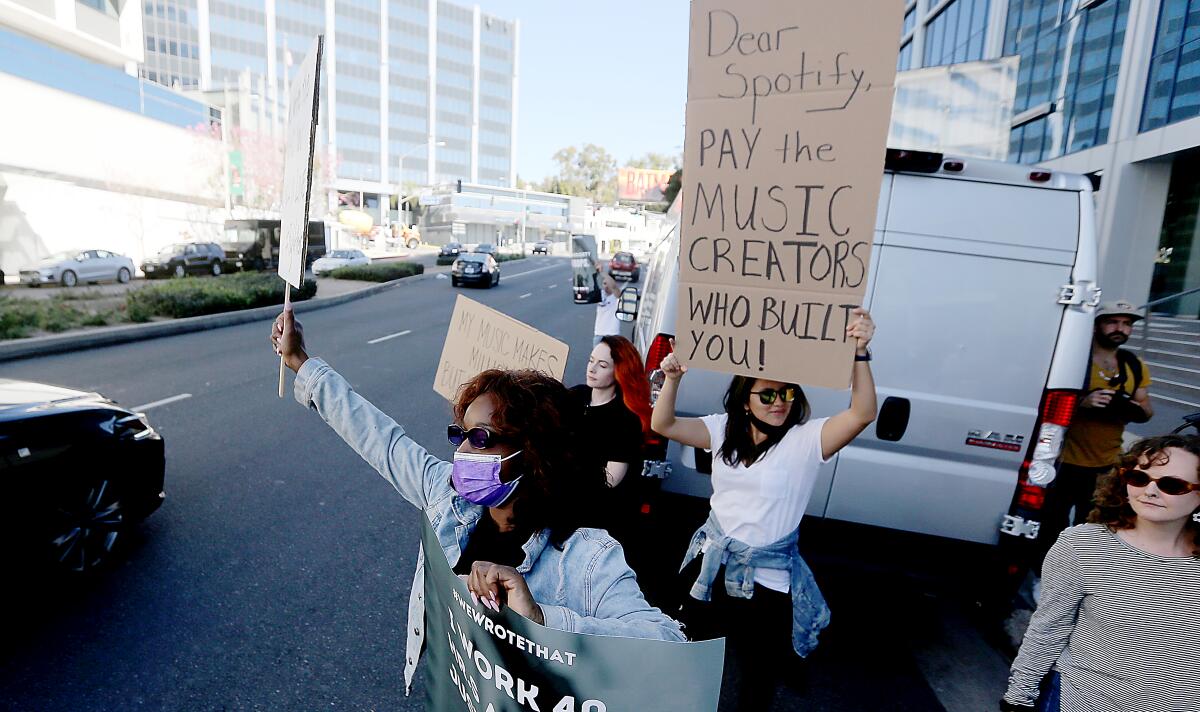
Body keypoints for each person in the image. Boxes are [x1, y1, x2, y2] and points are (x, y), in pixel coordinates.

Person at [270, 306, 685, 694]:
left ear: (535, 451)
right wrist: (301, 362)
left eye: (482, 438)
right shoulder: (447, 496)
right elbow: (379, 438)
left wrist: (541, 621)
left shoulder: (588, 555)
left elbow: (668, 646)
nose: (463, 451)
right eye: (461, 435)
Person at [651, 308, 878, 712]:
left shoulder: (808, 440)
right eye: (768, 394)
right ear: (744, 400)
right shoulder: (720, 430)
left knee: (757, 680)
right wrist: (673, 379)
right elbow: (663, 424)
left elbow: (862, 413)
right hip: (711, 567)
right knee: (690, 666)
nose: (779, 403)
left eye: (787, 393)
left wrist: (860, 353)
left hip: (768, 582)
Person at [1001, 435, 1200, 712]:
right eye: (1139, 478)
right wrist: (1018, 698)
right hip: (1081, 701)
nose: (1150, 491)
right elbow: (1048, 629)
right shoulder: (1082, 545)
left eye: (1172, 485)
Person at [1038, 301, 1153, 566]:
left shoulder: (1133, 365)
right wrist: (1082, 403)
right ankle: (1044, 575)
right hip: (1062, 461)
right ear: (1096, 324)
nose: (1120, 329)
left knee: (1092, 530)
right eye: (1113, 322)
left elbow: (1147, 411)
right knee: (1051, 526)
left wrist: (1127, 405)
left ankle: (1079, 579)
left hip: (1106, 464)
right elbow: (1042, 402)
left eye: (1127, 324)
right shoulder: (1073, 359)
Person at [569, 335, 652, 547]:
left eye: (602, 365)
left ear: (618, 372)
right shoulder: (575, 396)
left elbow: (611, 480)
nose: (592, 368)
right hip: (560, 502)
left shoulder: (625, 419)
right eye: (591, 360)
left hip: (596, 519)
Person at [593, 272, 620, 347]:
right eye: (604, 283)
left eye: (608, 283)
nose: (606, 286)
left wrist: (602, 272)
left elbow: (614, 287)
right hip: (599, 334)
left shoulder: (616, 296)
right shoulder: (600, 294)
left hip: (613, 335)